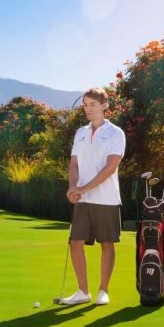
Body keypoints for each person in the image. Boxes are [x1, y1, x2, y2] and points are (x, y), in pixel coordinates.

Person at [61, 87, 126, 306]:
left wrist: (83, 188)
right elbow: (74, 164)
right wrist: (73, 187)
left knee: (107, 243)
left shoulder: (116, 133)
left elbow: (110, 167)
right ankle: (83, 291)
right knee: (75, 243)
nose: (88, 109)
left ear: (105, 106)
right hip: (83, 200)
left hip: (106, 199)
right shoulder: (80, 133)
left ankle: (103, 291)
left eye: (93, 104)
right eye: (86, 104)